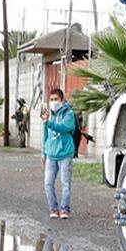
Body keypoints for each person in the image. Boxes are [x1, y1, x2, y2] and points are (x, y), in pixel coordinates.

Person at [41, 88, 77, 220]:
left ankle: (64, 209)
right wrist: (43, 153)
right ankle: (53, 208)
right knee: (48, 183)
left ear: (62, 100)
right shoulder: (48, 115)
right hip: (51, 154)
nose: (53, 102)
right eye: (51, 100)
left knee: (65, 183)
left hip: (65, 154)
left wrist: (48, 123)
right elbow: (45, 135)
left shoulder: (69, 114)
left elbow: (64, 127)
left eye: (56, 99)